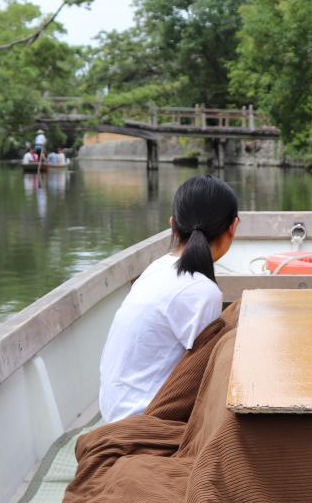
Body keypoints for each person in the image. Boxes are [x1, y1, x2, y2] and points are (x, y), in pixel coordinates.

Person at [99, 175, 239, 422]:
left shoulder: (157, 268)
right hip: (143, 421)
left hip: (113, 411)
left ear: (173, 225)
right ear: (233, 227)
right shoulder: (202, 291)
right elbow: (205, 377)